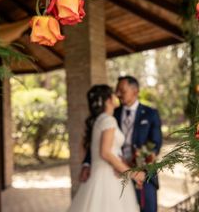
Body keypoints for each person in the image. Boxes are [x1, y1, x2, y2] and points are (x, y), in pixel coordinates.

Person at [81, 76, 162, 212]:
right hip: (115, 173)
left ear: (135, 91)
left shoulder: (150, 114)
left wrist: (139, 162)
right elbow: (100, 142)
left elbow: (155, 143)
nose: (118, 94)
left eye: (122, 90)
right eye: (116, 90)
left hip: (143, 173)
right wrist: (87, 163)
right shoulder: (112, 114)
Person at [68, 84, 144, 212]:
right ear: (109, 100)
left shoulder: (100, 120)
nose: (117, 96)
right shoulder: (108, 120)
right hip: (109, 177)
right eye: (114, 94)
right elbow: (105, 153)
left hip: (102, 174)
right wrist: (132, 173)